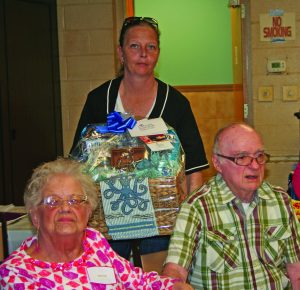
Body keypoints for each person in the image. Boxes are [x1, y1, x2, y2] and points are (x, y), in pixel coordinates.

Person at [70, 16, 209, 263]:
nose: (143, 53)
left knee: (156, 279)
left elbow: (194, 169)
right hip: (107, 222)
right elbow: (78, 163)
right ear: (121, 53)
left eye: (151, 47)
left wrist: (188, 222)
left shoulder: (175, 103)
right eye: (134, 46)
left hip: (162, 222)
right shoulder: (99, 99)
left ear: (158, 53)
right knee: (112, 279)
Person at [0, 158, 193, 289]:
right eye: (53, 201)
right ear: (35, 216)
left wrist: (172, 285)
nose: (66, 207)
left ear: (88, 211)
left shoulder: (93, 242)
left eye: (76, 200)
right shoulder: (17, 273)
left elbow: (136, 281)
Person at [163, 123, 300, 289]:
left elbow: (296, 269)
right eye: (242, 157)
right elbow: (175, 272)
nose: (255, 166)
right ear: (218, 163)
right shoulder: (196, 208)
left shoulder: (280, 200)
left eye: (259, 156)